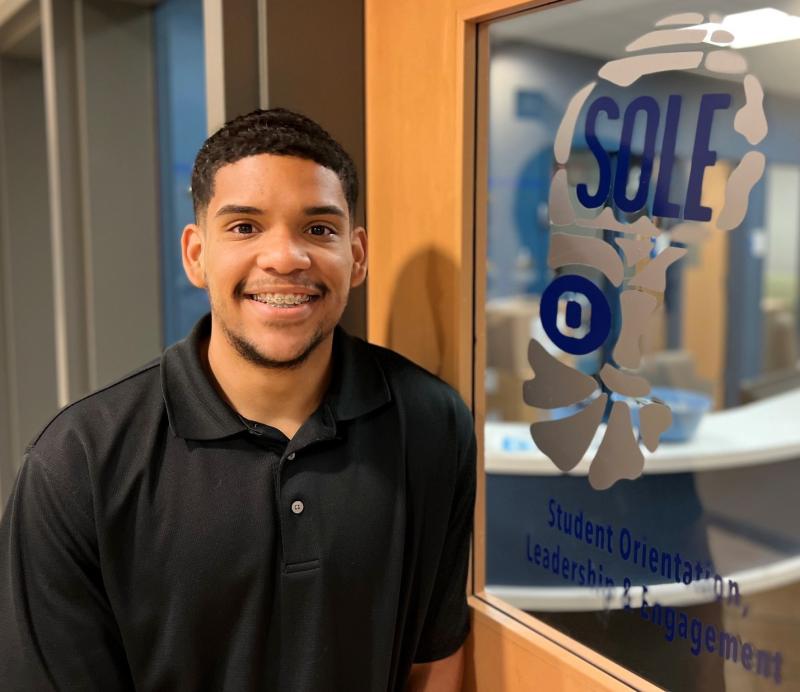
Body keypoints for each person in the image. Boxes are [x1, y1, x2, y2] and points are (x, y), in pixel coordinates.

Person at [0, 109, 476, 691]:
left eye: (318, 229)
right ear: (196, 255)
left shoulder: (431, 423)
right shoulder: (77, 464)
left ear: (357, 256)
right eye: (245, 227)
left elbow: (434, 659)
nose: (285, 258)